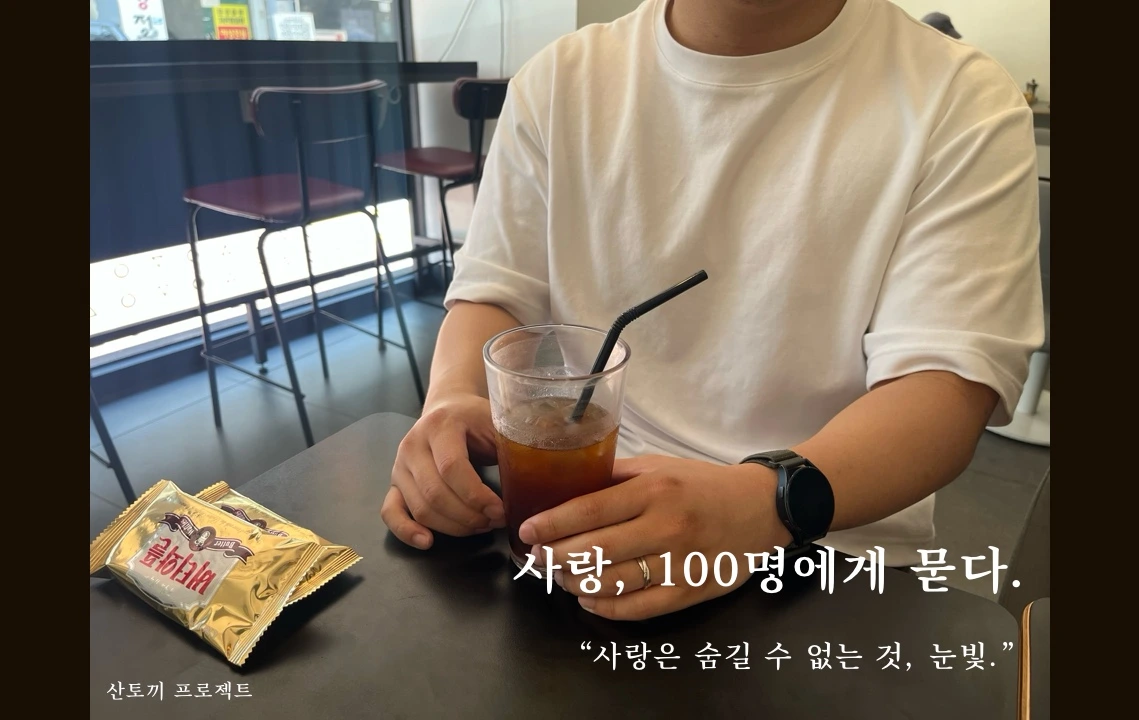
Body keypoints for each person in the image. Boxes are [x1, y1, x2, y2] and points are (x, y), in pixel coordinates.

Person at [381, 0, 1042, 621]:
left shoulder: (960, 98)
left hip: (828, 543)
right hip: (582, 518)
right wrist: (450, 401)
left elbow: (945, 388)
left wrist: (764, 501)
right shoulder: (559, 80)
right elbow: (496, 293)